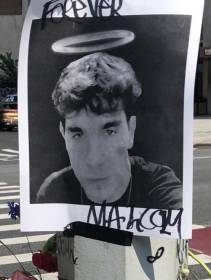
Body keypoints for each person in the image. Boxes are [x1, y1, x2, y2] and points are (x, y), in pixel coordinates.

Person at [36, 52, 182, 209]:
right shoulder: (53, 189)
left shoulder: (160, 186)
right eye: (77, 134)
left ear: (130, 131)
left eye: (110, 131)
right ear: (63, 135)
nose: (94, 160)